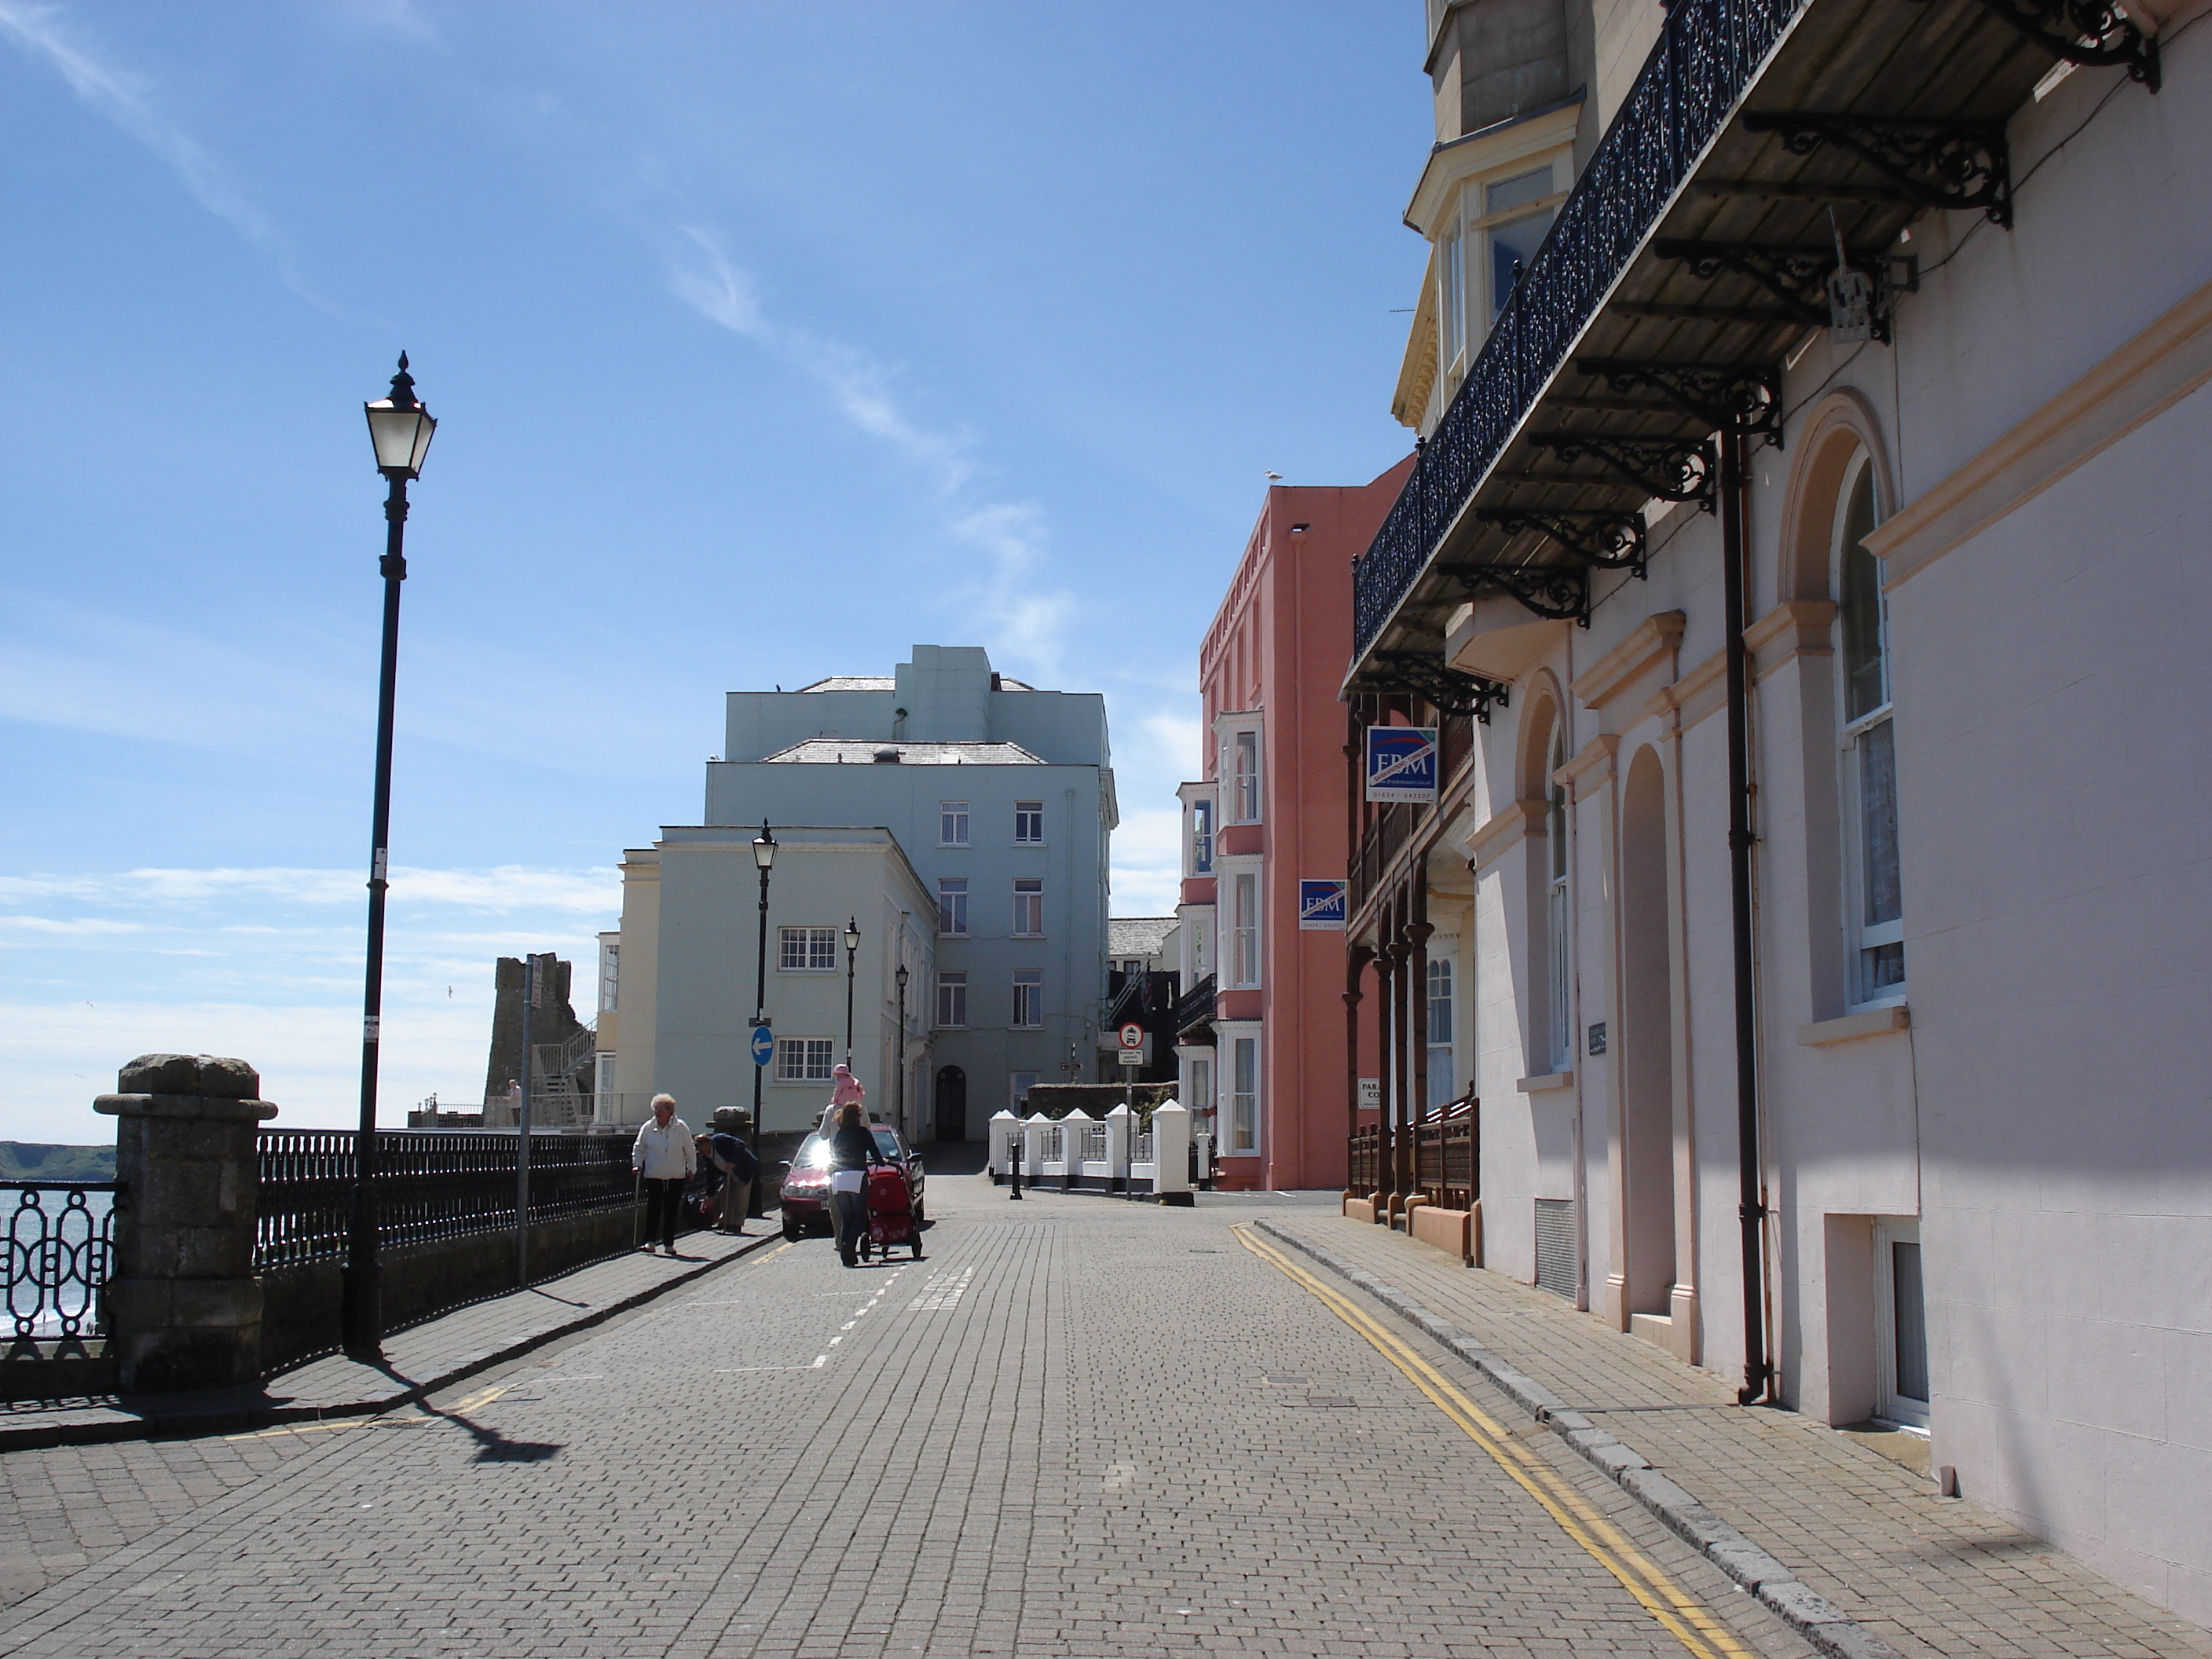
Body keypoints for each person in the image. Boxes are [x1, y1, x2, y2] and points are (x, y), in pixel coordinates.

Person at [632, 1094, 694, 1254]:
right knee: (653, 1208)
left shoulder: (680, 1128)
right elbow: (639, 1147)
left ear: (669, 1111)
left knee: (671, 1209)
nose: (656, 1112)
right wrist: (637, 1164)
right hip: (654, 1174)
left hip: (675, 1175)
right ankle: (650, 1242)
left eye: (660, 1108)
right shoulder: (648, 1127)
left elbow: (689, 1149)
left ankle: (669, 1244)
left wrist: (692, 1169)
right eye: (655, 1108)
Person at [827, 1097, 884, 1266]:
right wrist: (881, 1162)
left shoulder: (839, 1134)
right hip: (856, 1177)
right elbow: (875, 1154)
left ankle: (847, 1256)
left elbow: (835, 1154)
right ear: (858, 1116)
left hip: (838, 1177)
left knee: (847, 1218)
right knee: (860, 1217)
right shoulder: (863, 1133)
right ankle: (849, 1245)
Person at [703, 1126, 757, 1234]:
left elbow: (740, 1145)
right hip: (729, 1174)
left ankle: (737, 1224)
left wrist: (733, 1161)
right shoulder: (707, 1155)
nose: (700, 1152)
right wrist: (710, 1195)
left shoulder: (720, 1140)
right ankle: (726, 1222)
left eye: (700, 1149)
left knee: (741, 1197)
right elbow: (710, 1174)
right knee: (724, 1193)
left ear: (707, 1143)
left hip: (744, 1170)